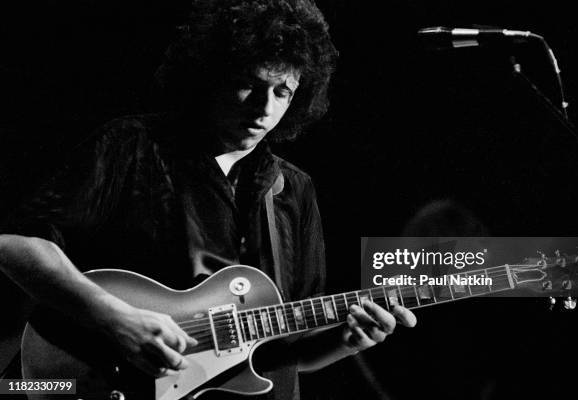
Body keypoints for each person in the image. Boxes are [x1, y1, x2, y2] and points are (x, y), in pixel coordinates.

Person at [0, 0, 416, 398]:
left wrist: (345, 341)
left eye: (282, 92)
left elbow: (286, 348)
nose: (264, 109)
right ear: (210, 76)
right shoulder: (134, 146)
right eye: (248, 85)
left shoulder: (294, 189)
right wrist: (117, 320)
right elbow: (16, 245)